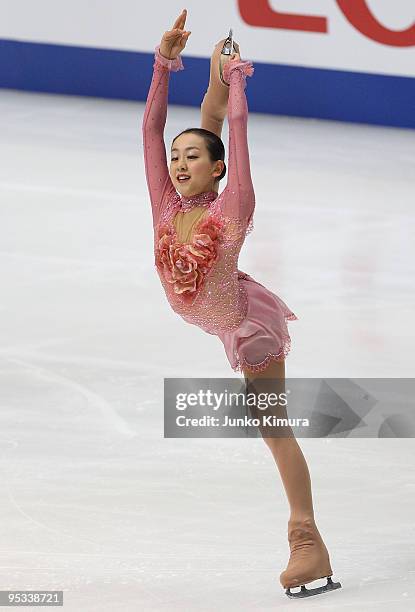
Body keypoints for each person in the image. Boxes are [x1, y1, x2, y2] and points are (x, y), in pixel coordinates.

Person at [142, 8, 341, 599]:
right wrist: (162, 63)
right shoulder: (165, 204)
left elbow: (234, 137)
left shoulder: (232, 211)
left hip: (246, 324)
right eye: (176, 158)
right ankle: (210, 72)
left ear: (219, 170)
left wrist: (236, 90)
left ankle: (307, 540)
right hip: (220, 316)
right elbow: (152, 131)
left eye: (192, 159)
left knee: (272, 426)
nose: (177, 165)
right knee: (199, 121)